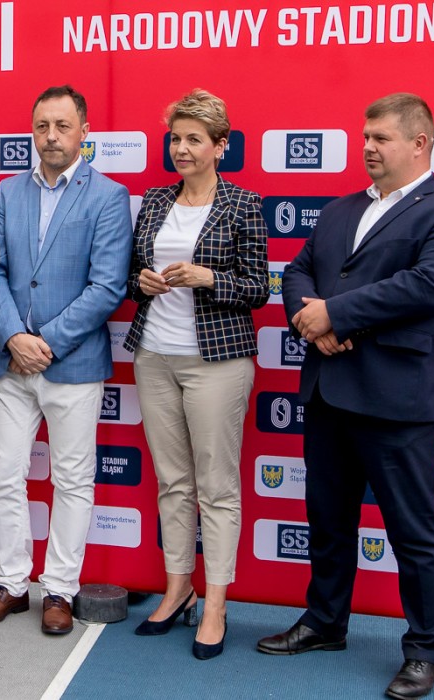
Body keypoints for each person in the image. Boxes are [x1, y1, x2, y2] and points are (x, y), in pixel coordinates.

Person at [256, 93, 434, 699]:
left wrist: (335, 314)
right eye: (365, 137)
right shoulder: (340, 209)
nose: (367, 147)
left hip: (398, 402)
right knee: (328, 522)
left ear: (420, 143)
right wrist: (313, 320)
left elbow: (429, 284)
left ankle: (425, 651)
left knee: (415, 533)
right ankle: (325, 622)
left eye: (381, 138)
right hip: (329, 392)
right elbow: (299, 270)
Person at [0, 85, 132, 636]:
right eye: (42, 126)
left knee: (73, 480)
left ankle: (59, 589)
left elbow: (107, 286)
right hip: (11, 363)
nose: (51, 137)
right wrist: (14, 336)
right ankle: (11, 585)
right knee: (3, 477)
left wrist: (45, 341)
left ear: (84, 131)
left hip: (72, 363)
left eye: (62, 126)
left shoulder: (108, 196)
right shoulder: (7, 192)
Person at [123, 90, 268, 659]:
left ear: (220, 145)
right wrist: (144, 282)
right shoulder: (156, 201)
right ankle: (178, 588)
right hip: (154, 355)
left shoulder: (243, 204)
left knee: (217, 488)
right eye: (175, 139)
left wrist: (209, 278)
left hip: (217, 363)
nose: (181, 149)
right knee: (173, 482)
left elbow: (258, 288)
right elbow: (132, 275)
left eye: (193, 140)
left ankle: (215, 605)